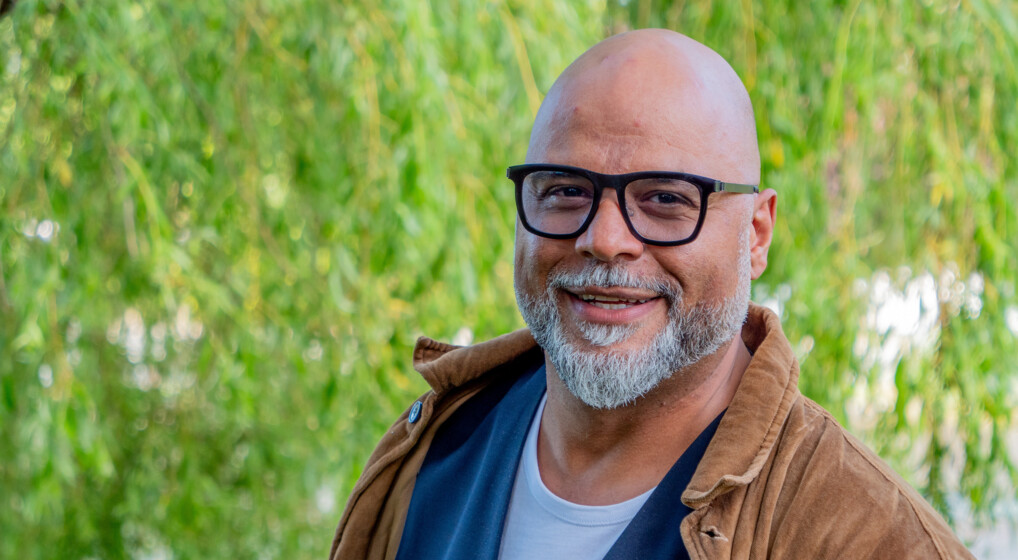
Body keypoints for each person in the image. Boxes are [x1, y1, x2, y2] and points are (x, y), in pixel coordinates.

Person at [329, 29, 973, 560]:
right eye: (566, 191)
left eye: (666, 199)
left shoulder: (869, 537)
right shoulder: (430, 452)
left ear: (756, 233)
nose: (605, 240)